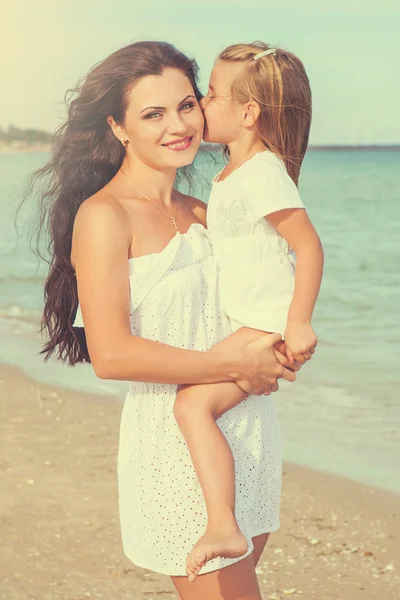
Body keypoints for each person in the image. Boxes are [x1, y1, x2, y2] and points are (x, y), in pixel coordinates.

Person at [28, 41, 305, 600]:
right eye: (152, 114)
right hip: (175, 448)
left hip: (247, 435)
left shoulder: (206, 211)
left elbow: (267, 295)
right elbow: (112, 356)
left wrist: (278, 351)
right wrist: (231, 362)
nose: (178, 125)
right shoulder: (103, 216)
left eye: (186, 105)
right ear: (119, 128)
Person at [176, 42, 324, 582]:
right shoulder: (231, 174)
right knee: (193, 402)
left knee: (192, 405)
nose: (200, 101)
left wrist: (298, 322)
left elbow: (306, 247)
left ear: (247, 113)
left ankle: (223, 525)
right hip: (250, 320)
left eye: (211, 94)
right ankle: (224, 516)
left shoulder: (262, 171)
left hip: (265, 323)